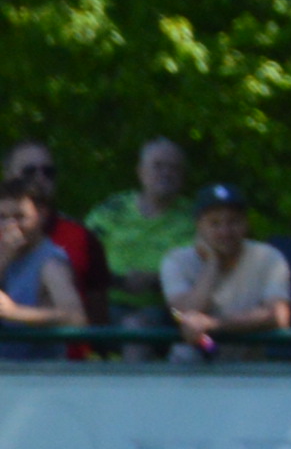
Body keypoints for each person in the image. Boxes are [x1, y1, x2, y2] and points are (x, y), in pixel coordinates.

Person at [159, 184, 290, 340]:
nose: (225, 231)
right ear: (199, 225)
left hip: (250, 354)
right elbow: (183, 316)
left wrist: (214, 324)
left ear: (246, 223)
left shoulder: (268, 257)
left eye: (233, 222)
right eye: (214, 223)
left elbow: (278, 315)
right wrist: (212, 263)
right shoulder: (176, 260)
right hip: (193, 353)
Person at [6, 142, 108, 320]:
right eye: (29, 171)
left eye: (48, 172)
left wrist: (16, 313)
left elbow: (94, 312)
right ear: (8, 176)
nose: (40, 178)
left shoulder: (81, 237)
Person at [90, 137, 196, 288]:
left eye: (174, 168)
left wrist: (155, 278)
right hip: (105, 294)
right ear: (140, 171)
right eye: (158, 166)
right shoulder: (113, 209)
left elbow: (199, 265)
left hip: (168, 299)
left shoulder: (194, 216)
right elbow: (84, 246)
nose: (166, 173)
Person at [0, 173, 89, 332]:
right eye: (2, 217)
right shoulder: (6, 256)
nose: (10, 225)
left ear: (41, 214)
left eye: (20, 217)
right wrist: (4, 259)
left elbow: (76, 318)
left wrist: (15, 313)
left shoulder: (50, 263)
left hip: (35, 350)